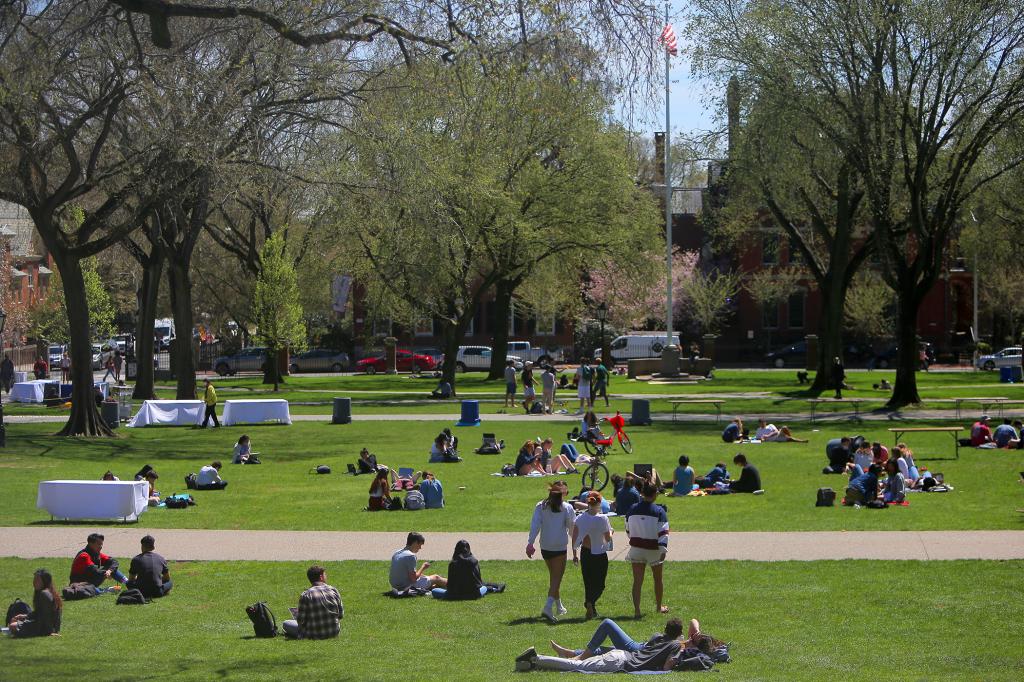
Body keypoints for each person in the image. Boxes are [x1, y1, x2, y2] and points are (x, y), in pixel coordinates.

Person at [516, 619, 684, 673]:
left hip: (622, 658)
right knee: (578, 665)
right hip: (621, 660)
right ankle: (535, 659)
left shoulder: (662, 639)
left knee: (579, 664)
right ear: (678, 634)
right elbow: (667, 667)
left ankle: (535, 660)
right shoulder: (675, 645)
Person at [549, 616, 715, 661]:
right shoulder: (685, 639)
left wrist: (690, 643)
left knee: (607, 624)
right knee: (604, 650)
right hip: (641, 648)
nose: (692, 637)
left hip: (638, 650)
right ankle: (569, 653)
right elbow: (693, 621)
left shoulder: (684, 648)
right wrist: (697, 632)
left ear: (696, 645)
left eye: (695, 638)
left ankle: (579, 657)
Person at [527, 481, 576, 622]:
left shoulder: (540, 506)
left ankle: (559, 606)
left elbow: (535, 525)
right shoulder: (567, 508)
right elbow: (572, 528)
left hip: (545, 547)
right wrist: (578, 541)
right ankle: (548, 607)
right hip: (559, 547)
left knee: (554, 577)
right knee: (556, 579)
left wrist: (530, 543)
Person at [625, 482, 669, 617]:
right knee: (657, 579)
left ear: (642, 493)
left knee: (637, 581)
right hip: (653, 549)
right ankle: (658, 607)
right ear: (655, 494)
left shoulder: (632, 509)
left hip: (636, 548)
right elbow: (664, 533)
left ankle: (637, 610)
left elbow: (628, 530)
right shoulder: (659, 511)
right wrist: (663, 550)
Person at [572, 491, 613, 619]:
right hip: (599, 553)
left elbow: (574, 539)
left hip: (585, 553)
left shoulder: (580, 518)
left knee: (588, 582)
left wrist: (574, 554)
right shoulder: (603, 519)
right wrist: (612, 532)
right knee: (600, 584)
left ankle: (591, 607)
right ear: (599, 503)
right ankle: (589, 603)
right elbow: (607, 539)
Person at [281, 565, 342, 640]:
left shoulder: (306, 594)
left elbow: (300, 621)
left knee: (286, 623)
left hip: (313, 634)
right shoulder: (333, 590)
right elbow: (341, 615)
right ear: (321, 577)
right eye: (325, 575)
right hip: (334, 632)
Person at [430, 540, 503, 600]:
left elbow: (450, 584)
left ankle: (493, 588)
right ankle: (493, 588)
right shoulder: (474, 561)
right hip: (473, 594)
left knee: (434, 591)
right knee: (484, 587)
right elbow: (478, 581)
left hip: (454, 595)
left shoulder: (453, 563)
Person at [8, 569, 61, 638]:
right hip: (42, 624)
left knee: (12, 626)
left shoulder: (44, 594)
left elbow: (47, 617)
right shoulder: (43, 592)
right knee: (14, 621)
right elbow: (39, 613)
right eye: (34, 579)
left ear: (44, 581)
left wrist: (49, 632)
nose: (34, 582)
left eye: (37, 580)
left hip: (44, 627)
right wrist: (24, 616)